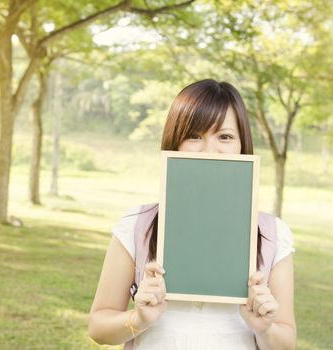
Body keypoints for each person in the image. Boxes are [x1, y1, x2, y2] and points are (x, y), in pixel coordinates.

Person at [88, 79, 296, 350]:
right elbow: (98, 327)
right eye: (195, 136)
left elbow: (286, 343)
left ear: (242, 145)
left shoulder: (273, 234)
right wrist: (138, 319)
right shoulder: (137, 225)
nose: (210, 150)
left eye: (225, 137)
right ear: (174, 141)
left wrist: (264, 328)